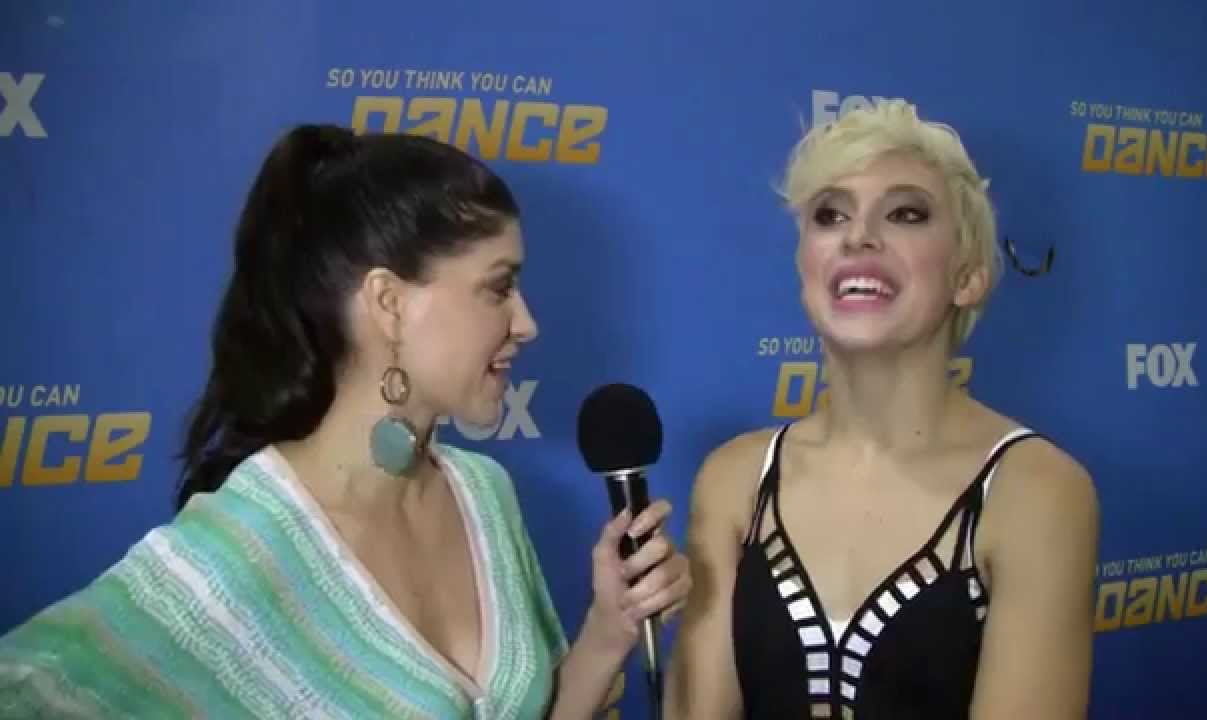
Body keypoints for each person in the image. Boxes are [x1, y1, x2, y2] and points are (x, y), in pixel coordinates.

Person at [0, 125, 691, 718]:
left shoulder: (484, 494)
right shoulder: (240, 546)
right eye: (499, 287)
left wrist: (611, 627)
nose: (527, 322)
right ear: (388, 303)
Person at [664, 99, 1098, 719]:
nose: (858, 236)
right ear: (804, 267)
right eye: (830, 215)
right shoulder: (735, 480)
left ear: (968, 275)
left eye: (905, 214)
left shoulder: (1036, 491)